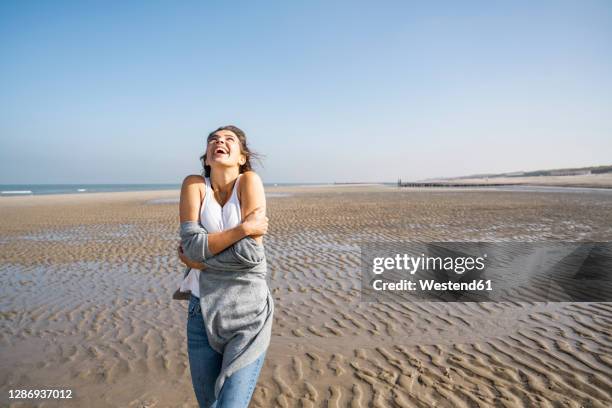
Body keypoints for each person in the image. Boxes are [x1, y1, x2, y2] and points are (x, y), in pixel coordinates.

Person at [176, 125, 273, 407]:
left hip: (249, 313)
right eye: (213, 140)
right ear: (206, 157)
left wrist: (198, 263)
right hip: (202, 312)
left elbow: (251, 256)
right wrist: (243, 228)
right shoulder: (194, 185)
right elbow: (191, 245)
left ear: (242, 157)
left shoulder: (249, 182)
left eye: (229, 140)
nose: (220, 142)